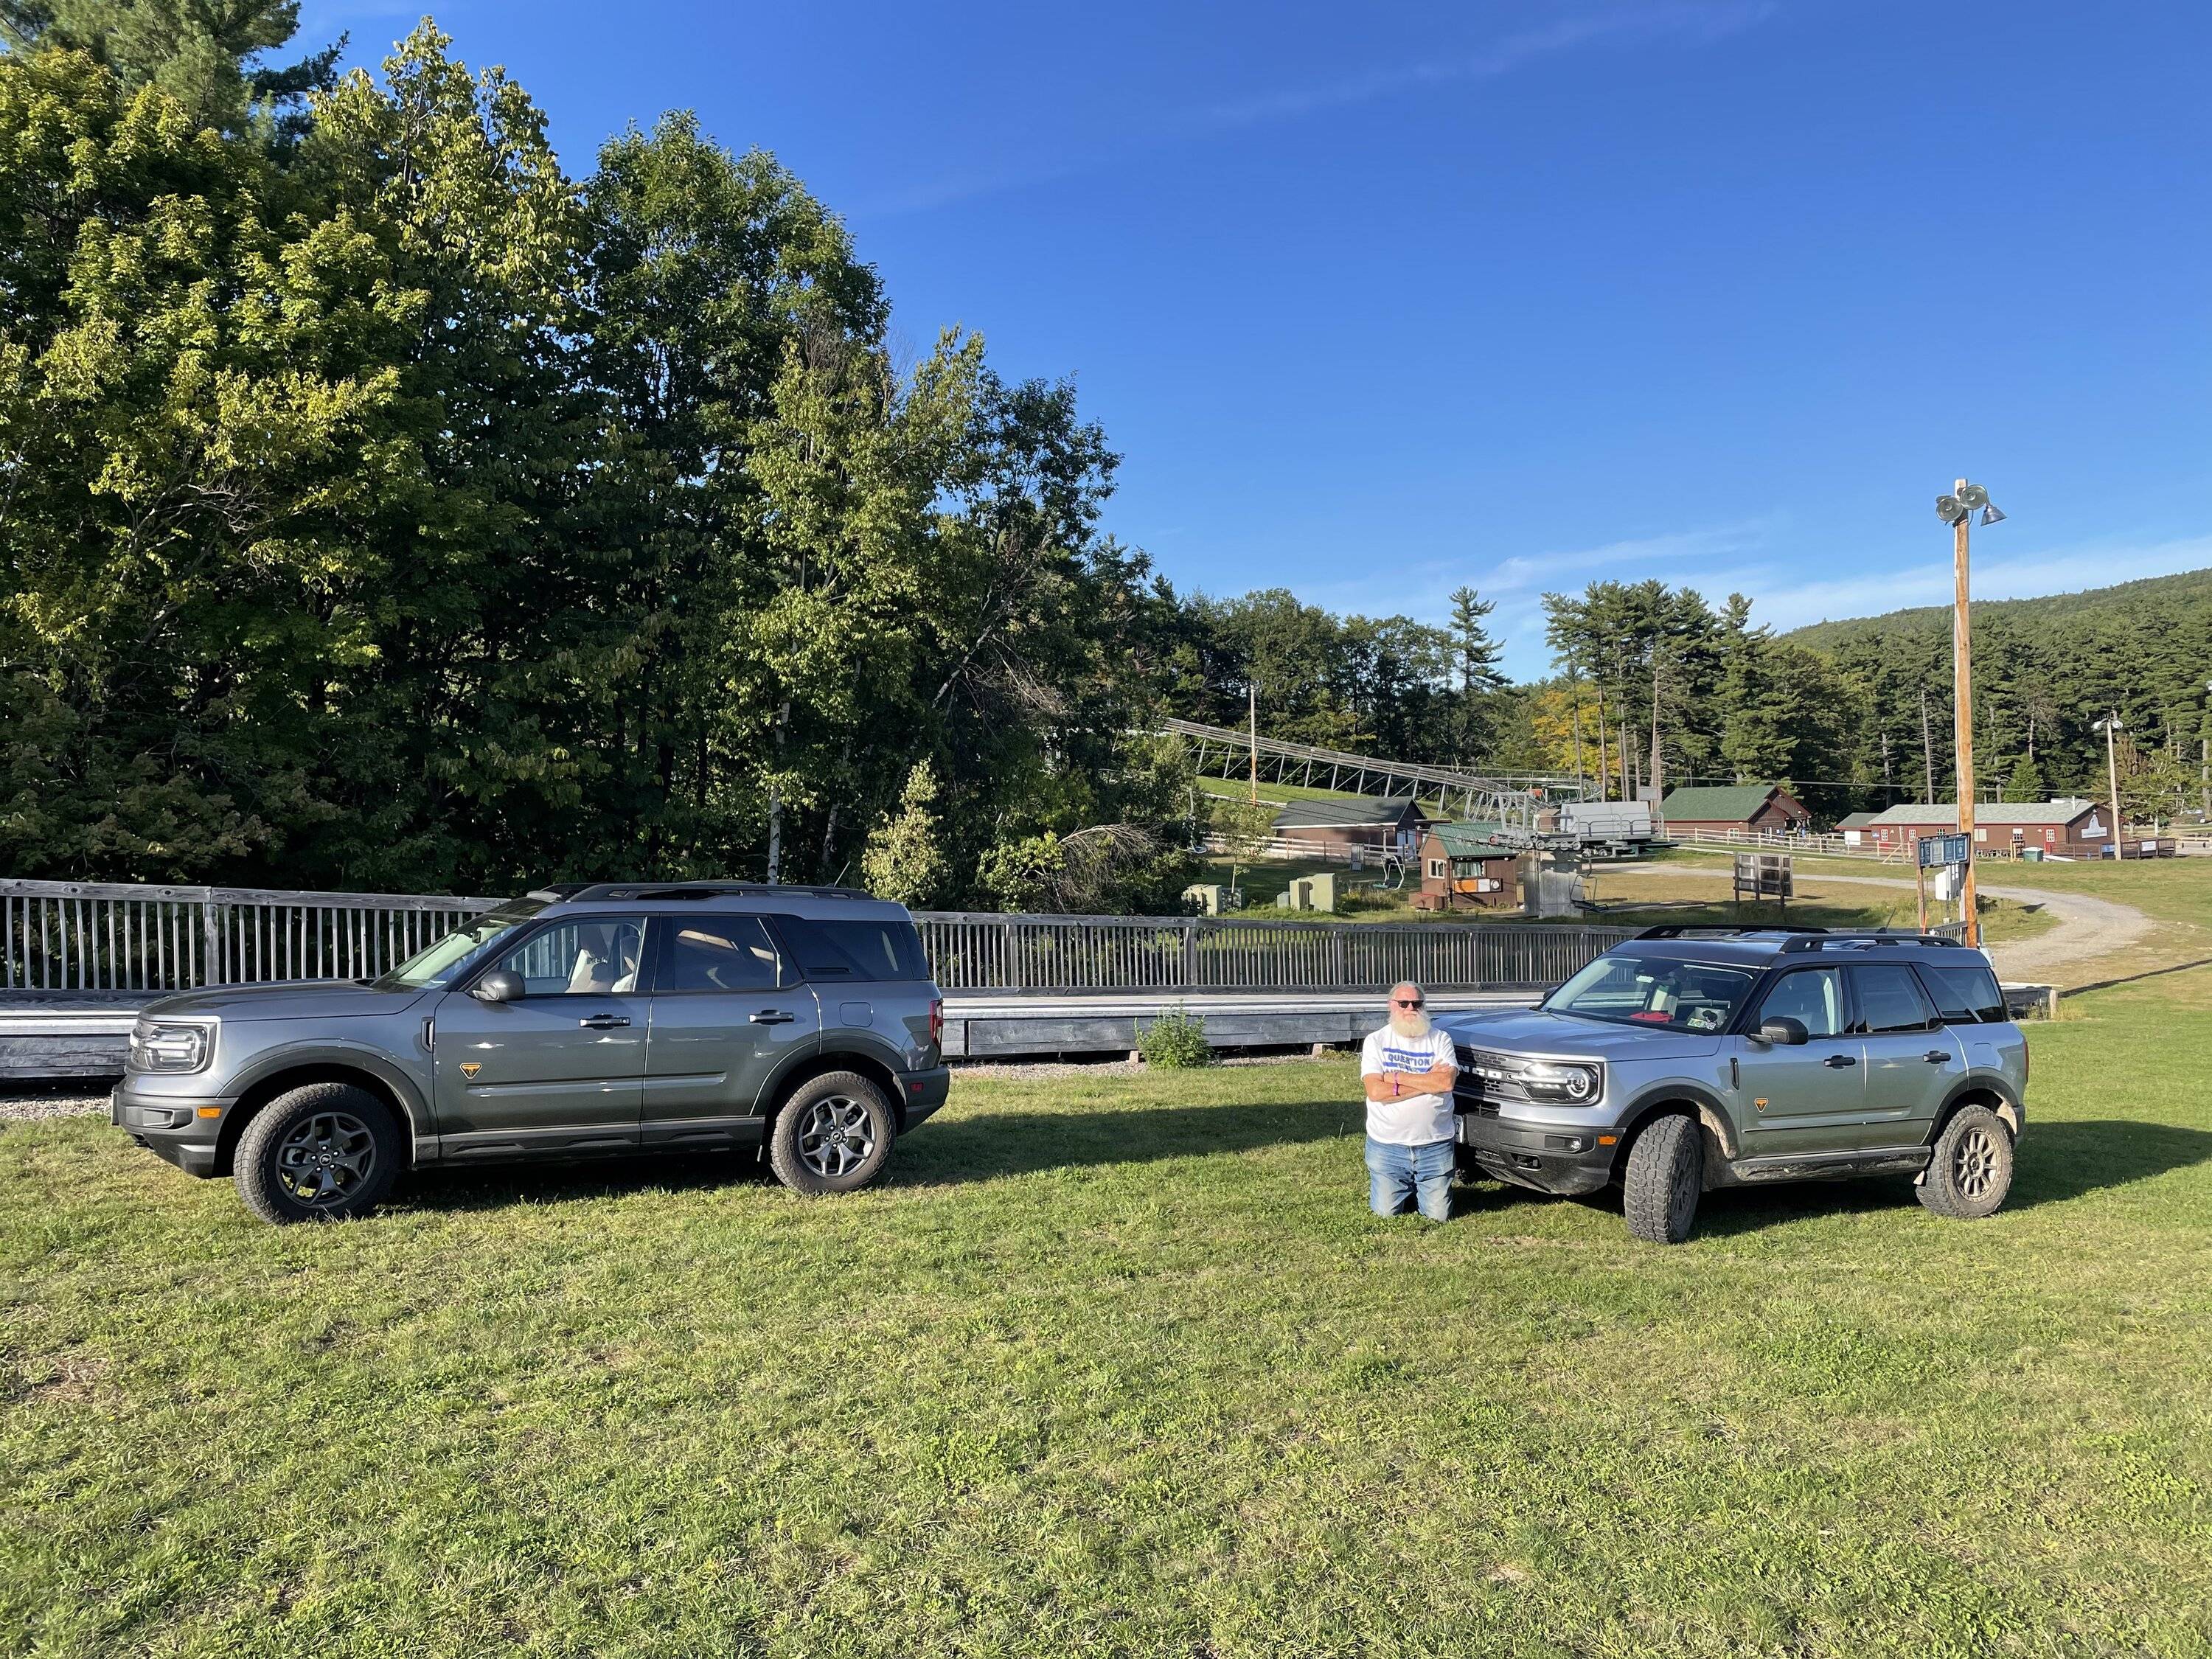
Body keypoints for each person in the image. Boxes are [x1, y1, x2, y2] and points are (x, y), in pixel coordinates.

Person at [1360, 981, 1459, 1220]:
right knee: (1385, 1214)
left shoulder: (1440, 1039)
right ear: (1391, 1005)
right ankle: (1405, 1188)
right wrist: (1428, 1082)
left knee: (1438, 1217)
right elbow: (1376, 1091)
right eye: (1403, 1003)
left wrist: (1396, 1077)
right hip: (1388, 1146)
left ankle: (1420, 1189)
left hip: (1435, 1144)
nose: (1411, 1009)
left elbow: (1445, 1083)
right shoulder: (1376, 1041)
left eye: (1417, 1003)